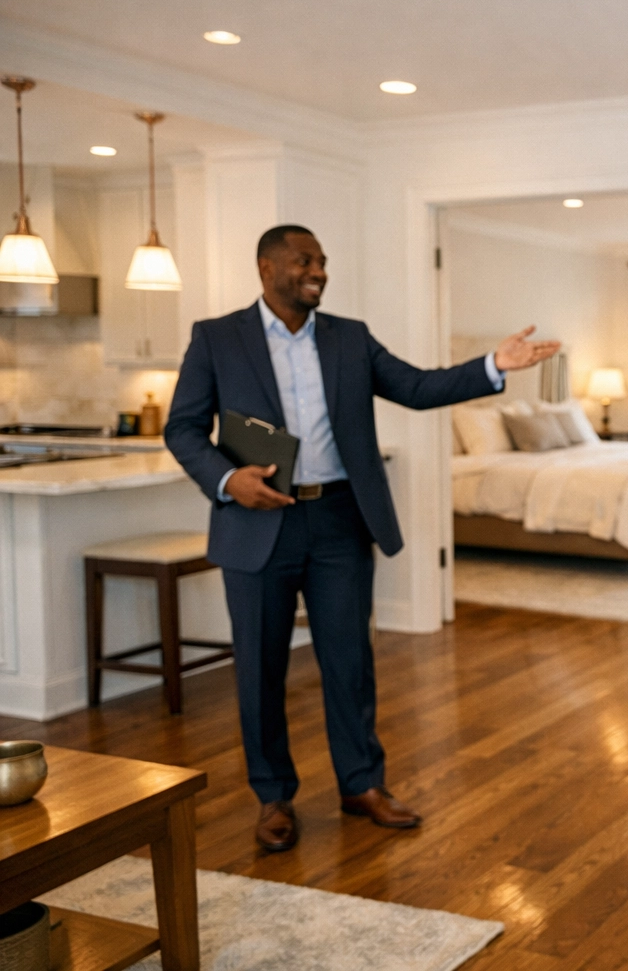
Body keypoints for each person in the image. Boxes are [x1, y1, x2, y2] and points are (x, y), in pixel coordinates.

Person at [165, 224, 559, 852]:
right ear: (267, 268)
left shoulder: (349, 338)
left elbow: (418, 387)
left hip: (339, 520)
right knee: (261, 667)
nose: (318, 270)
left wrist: (494, 365)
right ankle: (273, 796)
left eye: (322, 260)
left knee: (349, 662)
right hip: (255, 522)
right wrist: (226, 479)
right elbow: (182, 428)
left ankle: (361, 784)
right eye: (303, 261)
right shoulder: (217, 338)